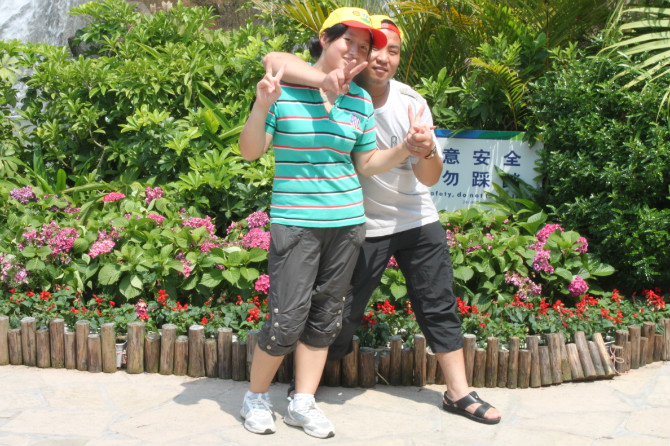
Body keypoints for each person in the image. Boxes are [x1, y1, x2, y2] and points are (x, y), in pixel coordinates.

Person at [263, 15, 502, 425]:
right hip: (363, 225)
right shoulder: (333, 89)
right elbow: (275, 59)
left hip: (417, 219)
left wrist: (424, 149)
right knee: (339, 313)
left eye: (393, 51)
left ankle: (459, 392)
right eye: (374, 48)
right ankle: (306, 388)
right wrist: (325, 80)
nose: (382, 58)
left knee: (438, 304)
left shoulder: (410, 101)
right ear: (354, 49)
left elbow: (430, 178)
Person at [238, 7, 435, 439]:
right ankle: (256, 397)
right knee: (287, 319)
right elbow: (250, 151)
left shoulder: (358, 100)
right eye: (350, 41)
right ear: (325, 39)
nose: (357, 52)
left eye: (364, 47)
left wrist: (405, 148)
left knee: (326, 317)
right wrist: (261, 105)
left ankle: (302, 402)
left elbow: (365, 163)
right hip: (297, 223)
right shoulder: (284, 89)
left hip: (347, 224)